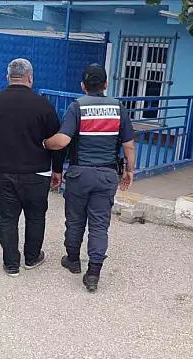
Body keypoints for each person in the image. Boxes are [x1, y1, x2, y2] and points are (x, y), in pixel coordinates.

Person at [42, 64, 136, 293]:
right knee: (99, 225)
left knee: (75, 220)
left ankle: (73, 260)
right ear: (106, 84)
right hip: (107, 175)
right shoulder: (118, 108)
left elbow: (62, 141)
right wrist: (129, 170)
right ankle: (93, 273)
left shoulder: (77, 107)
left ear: (83, 86)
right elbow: (129, 146)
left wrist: (44, 143)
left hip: (80, 174)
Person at [0, 58, 66, 276]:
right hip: (37, 172)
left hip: (1, 171)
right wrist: (57, 170)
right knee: (36, 216)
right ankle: (32, 258)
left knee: (7, 218)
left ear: (8, 77)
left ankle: (11, 264)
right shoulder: (44, 106)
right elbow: (56, 142)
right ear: (30, 78)